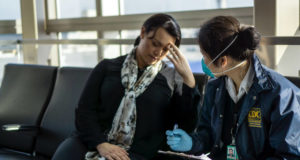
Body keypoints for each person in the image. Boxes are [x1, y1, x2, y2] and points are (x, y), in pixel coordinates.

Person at [166, 16, 300, 159]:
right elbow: (208, 137)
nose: (203, 61)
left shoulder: (280, 94)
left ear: (223, 61)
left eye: (204, 55)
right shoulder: (214, 87)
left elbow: (288, 155)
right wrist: (192, 143)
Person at [76, 13, 200, 160]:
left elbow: (187, 126)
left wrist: (189, 81)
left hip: (137, 153)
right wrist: (100, 144)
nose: (158, 53)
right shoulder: (107, 67)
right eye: (155, 43)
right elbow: (84, 111)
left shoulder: (172, 79)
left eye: (166, 50)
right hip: (93, 142)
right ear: (143, 33)